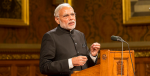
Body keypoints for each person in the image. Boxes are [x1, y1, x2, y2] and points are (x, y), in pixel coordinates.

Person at [39, 3, 100, 76]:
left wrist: (92, 56)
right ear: (57, 19)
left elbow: (86, 65)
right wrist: (70, 62)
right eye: (66, 16)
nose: (71, 18)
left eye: (72, 14)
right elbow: (44, 67)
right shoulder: (50, 36)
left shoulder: (80, 35)